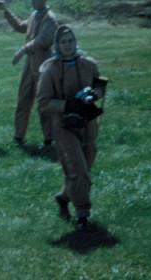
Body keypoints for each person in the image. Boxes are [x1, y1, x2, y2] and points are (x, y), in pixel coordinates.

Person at [37, 25, 106, 232]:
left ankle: (64, 196)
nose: (68, 45)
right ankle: (82, 214)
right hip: (64, 126)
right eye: (63, 42)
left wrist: (94, 94)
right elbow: (43, 102)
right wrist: (67, 105)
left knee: (86, 164)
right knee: (77, 169)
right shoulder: (50, 70)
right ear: (57, 45)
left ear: (75, 42)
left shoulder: (89, 64)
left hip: (88, 124)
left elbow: (100, 85)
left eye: (70, 41)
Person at [0, 0, 58, 146]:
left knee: (43, 101)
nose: (33, 1)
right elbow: (20, 26)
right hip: (30, 64)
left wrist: (22, 50)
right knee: (23, 99)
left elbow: (42, 40)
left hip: (43, 63)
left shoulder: (49, 18)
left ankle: (48, 138)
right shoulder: (34, 15)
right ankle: (19, 136)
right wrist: (6, 11)